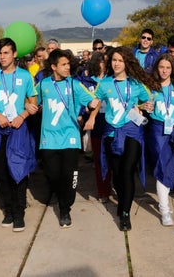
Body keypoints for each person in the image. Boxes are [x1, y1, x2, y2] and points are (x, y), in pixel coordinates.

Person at [90, 46, 157, 231]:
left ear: (127, 62)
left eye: (120, 60)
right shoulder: (105, 84)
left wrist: (143, 107)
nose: (117, 63)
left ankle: (125, 213)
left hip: (132, 132)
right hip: (111, 133)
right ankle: (122, 201)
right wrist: (91, 114)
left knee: (127, 171)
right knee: (118, 174)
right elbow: (94, 101)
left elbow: (150, 102)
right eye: (114, 60)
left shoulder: (136, 84)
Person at [0, 38, 38, 232]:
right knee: (2, 172)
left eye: (6, 53)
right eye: (0, 53)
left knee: (19, 172)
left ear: (14, 54)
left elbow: (33, 103)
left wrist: (22, 115)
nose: (3, 57)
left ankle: (20, 212)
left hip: (18, 129)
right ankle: (9, 210)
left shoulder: (25, 76)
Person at [37, 49, 99, 228]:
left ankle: (65, 209)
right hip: (48, 138)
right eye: (63, 65)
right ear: (54, 66)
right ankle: (60, 196)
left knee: (70, 176)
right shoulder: (42, 85)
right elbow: (32, 101)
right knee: (53, 175)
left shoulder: (75, 84)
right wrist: (32, 107)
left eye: (68, 64)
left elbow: (95, 102)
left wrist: (92, 118)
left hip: (70, 138)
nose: (67, 67)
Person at [146, 54, 174, 226]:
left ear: (173, 69)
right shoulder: (151, 87)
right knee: (163, 166)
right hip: (157, 131)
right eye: (161, 67)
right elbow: (143, 105)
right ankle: (164, 210)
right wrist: (145, 107)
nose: (164, 71)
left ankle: (164, 200)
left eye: (168, 67)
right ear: (157, 68)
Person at [76, 51, 112, 202]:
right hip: (95, 123)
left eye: (105, 62)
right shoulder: (87, 81)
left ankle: (110, 187)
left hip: (112, 123)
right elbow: (80, 99)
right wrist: (81, 113)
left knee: (112, 159)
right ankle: (102, 191)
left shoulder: (112, 80)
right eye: (100, 61)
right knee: (99, 159)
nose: (102, 65)